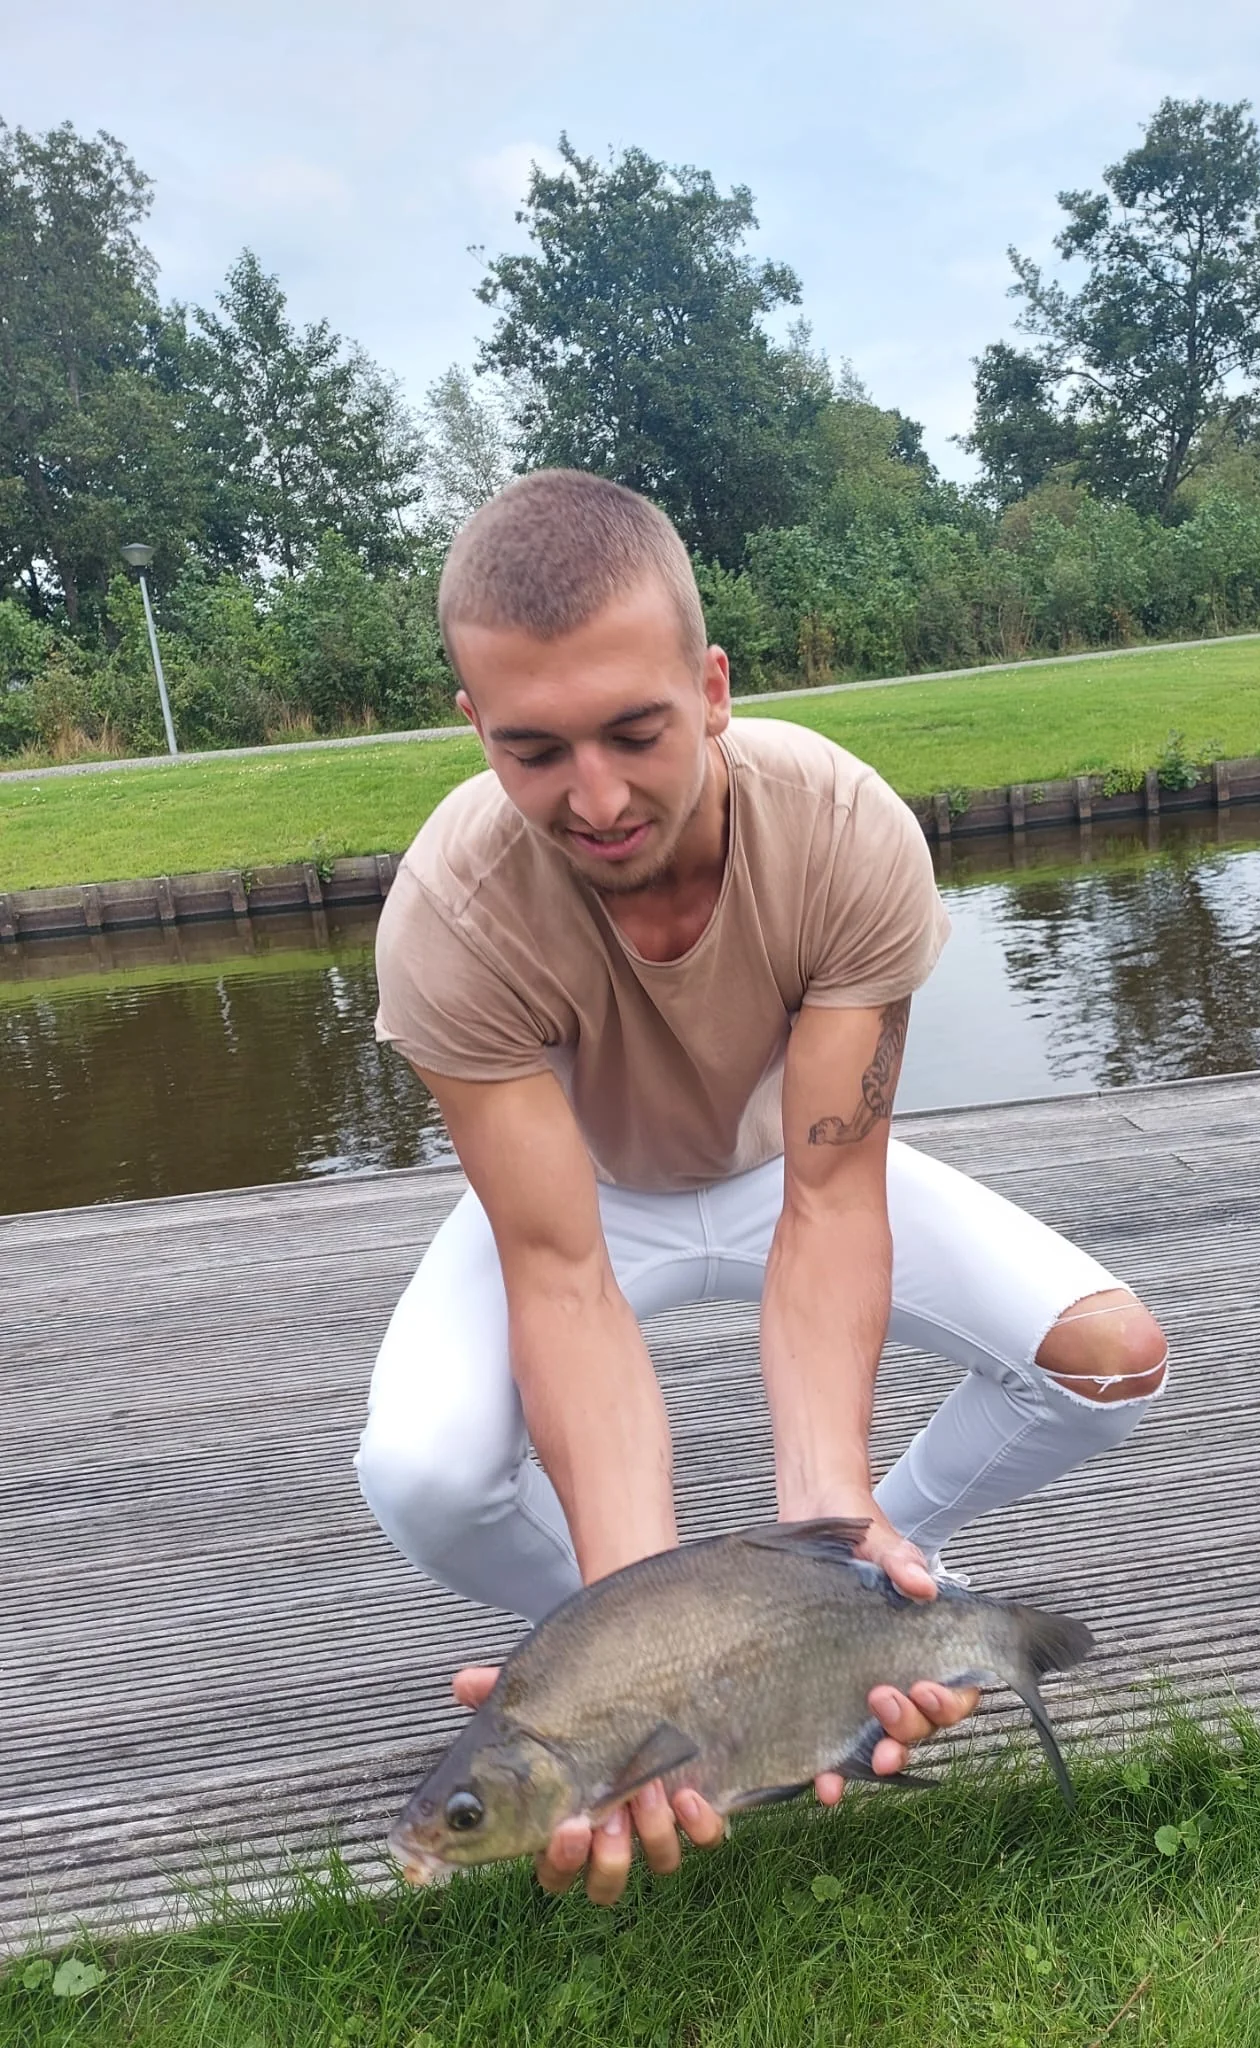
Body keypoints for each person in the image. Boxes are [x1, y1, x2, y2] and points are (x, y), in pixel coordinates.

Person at [357, 470, 1168, 1905]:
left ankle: (869, 1586)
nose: (594, 798)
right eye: (536, 750)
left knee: (1113, 1361)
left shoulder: (848, 832)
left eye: (635, 731)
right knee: (416, 1473)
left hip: (789, 1160)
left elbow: (833, 1201)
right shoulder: (449, 916)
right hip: (580, 1195)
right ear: (474, 725)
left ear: (713, 688)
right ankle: (609, 1679)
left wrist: (833, 1528)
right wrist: (642, 1635)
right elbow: (557, 1273)